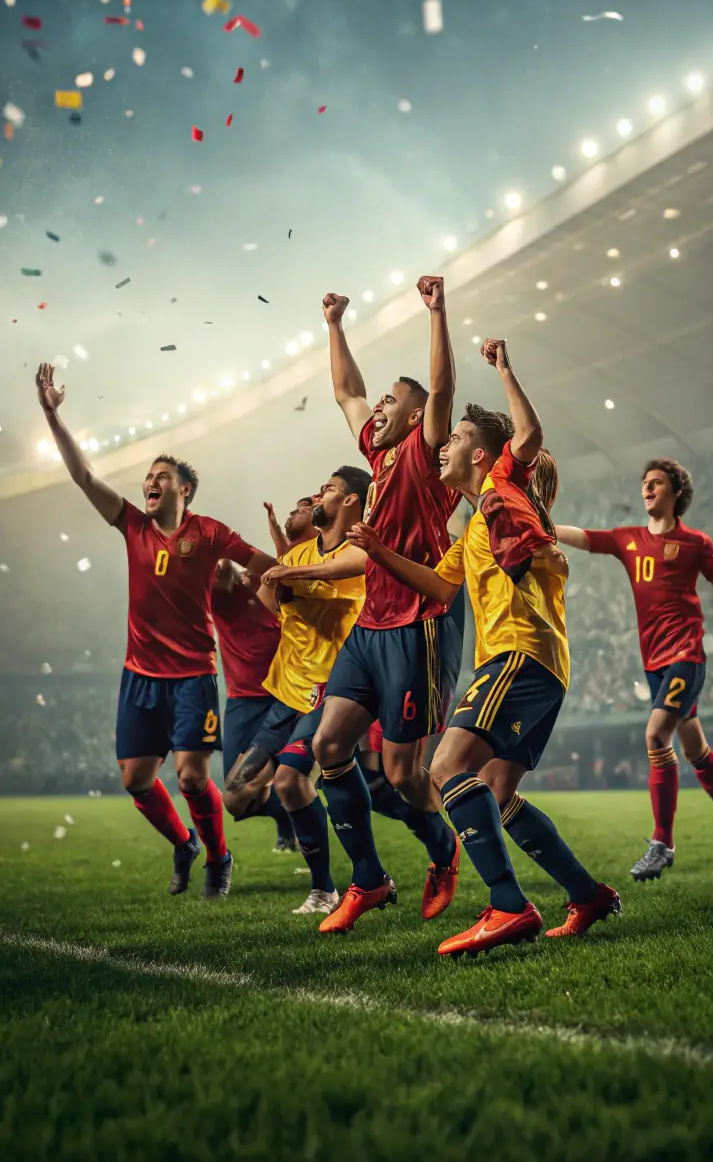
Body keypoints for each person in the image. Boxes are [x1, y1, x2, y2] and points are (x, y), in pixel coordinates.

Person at [352, 339, 621, 958]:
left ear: (478, 453)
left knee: (445, 770)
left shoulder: (502, 480)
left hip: (517, 656)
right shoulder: (474, 524)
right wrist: (379, 552)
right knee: (496, 796)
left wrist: (503, 368)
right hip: (541, 664)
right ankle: (587, 895)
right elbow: (442, 588)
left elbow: (526, 432)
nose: (442, 446)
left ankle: (506, 905)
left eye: (454, 438)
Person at [35, 362, 275, 898]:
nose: (150, 481)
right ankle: (185, 843)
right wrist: (53, 416)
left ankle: (218, 857)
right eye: (148, 476)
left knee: (191, 777)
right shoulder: (133, 526)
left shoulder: (210, 532)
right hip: (139, 675)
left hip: (192, 676)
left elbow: (267, 564)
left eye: (161, 476)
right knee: (135, 781)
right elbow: (83, 476)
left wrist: (280, 584)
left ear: (184, 489)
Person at [292, 278, 465, 933]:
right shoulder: (376, 449)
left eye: (395, 401)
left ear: (418, 418)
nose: (381, 407)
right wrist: (335, 324)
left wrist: (438, 312)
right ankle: (367, 880)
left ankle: (444, 849)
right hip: (370, 626)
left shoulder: (426, 454)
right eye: (385, 401)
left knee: (399, 772)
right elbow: (346, 391)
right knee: (329, 744)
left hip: (416, 629)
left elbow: (441, 389)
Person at [555, 460, 713, 881]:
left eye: (656, 483)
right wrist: (544, 527)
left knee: (655, 736)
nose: (647, 489)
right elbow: (585, 538)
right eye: (644, 483)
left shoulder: (696, 542)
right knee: (695, 749)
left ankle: (662, 843)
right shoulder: (629, 540)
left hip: (686, 655)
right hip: (654, 661)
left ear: (676, 490)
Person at [239, 467, 372, 914]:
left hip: (329, 687)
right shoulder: (297, 556)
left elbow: (341, 572)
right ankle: (409, 833)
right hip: (286, 691)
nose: (319, 494)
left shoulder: (359, 550)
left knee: (289, 779)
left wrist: (285, 576)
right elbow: (265, 605)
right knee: (236, 793)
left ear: (350, 502)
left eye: (330, 489)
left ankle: (326, 889)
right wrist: (270, 583)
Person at [210, 557, 297, 852]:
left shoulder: (278, 595)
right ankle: (287, 815)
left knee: (271, 783)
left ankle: (303, 817)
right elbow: (220, 569)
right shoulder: (223, 603)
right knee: (236, 800)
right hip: (242, 704)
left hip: (282, 701)